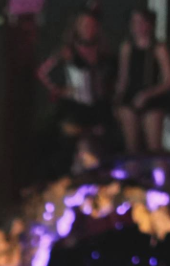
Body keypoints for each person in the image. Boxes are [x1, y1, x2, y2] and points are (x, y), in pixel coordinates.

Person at [37, 9, 114, 169]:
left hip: (98, 106)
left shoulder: (102, 50)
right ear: (77, 27)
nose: (87, 29)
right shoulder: (68, 50)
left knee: (101, 143)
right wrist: (57, 89)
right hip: (75, 106)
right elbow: (42, 71)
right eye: (84, 25)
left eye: (91, 25)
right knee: (69, 141)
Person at [113, 9, 170, 154]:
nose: (138, 27)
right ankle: (131, 175)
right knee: (131, 149)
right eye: (135, 23)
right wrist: (116, 101)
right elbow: (123, 78)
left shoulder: (158, 48)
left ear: (149, 25)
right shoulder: (127, 47)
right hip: (130, 96)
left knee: (154, 148)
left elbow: (169, 81)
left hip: (152, 97)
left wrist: (147, 94)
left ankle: (159, 174)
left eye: (141, 22)